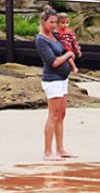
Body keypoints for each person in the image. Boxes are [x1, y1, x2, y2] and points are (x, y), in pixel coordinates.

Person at [35, 8, 77, 161]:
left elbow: (65, 48)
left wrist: (72, 52)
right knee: (53, 114)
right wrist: (68, 55)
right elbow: (53, 62)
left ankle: (60, 149)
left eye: (55, 22)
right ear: (43, 22)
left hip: (62, 79)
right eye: (51, 22)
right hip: (52, 80)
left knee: (61, 114)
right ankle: (47, 152)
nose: (53, 25)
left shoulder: (54, 36)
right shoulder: (41, 40)